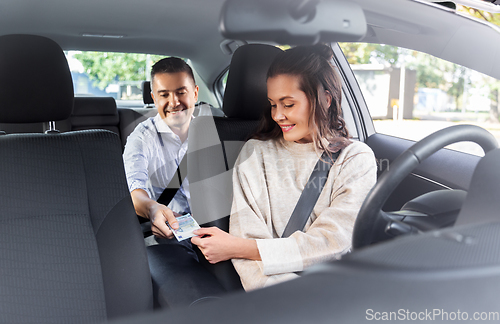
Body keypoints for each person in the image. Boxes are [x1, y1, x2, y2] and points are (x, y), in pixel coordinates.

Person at [190, 44, 377, 291]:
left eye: (288, 105)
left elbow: (335, 242)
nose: (277, 115)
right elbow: (249, 252)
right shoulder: (256, 153)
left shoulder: (356, 158)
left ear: (325, 99)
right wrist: (292, 302)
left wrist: (239, 247)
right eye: (272, 104)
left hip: (341, 290)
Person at [123, 57, 199, 240]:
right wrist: (152, 208)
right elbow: (134, 189)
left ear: (195, 93)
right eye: (164, 95)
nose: (174, 102)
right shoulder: (141, 137)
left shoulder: (215, 132)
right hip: (167, 234)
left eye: (181, 92)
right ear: (154, 98)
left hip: (214, 231)